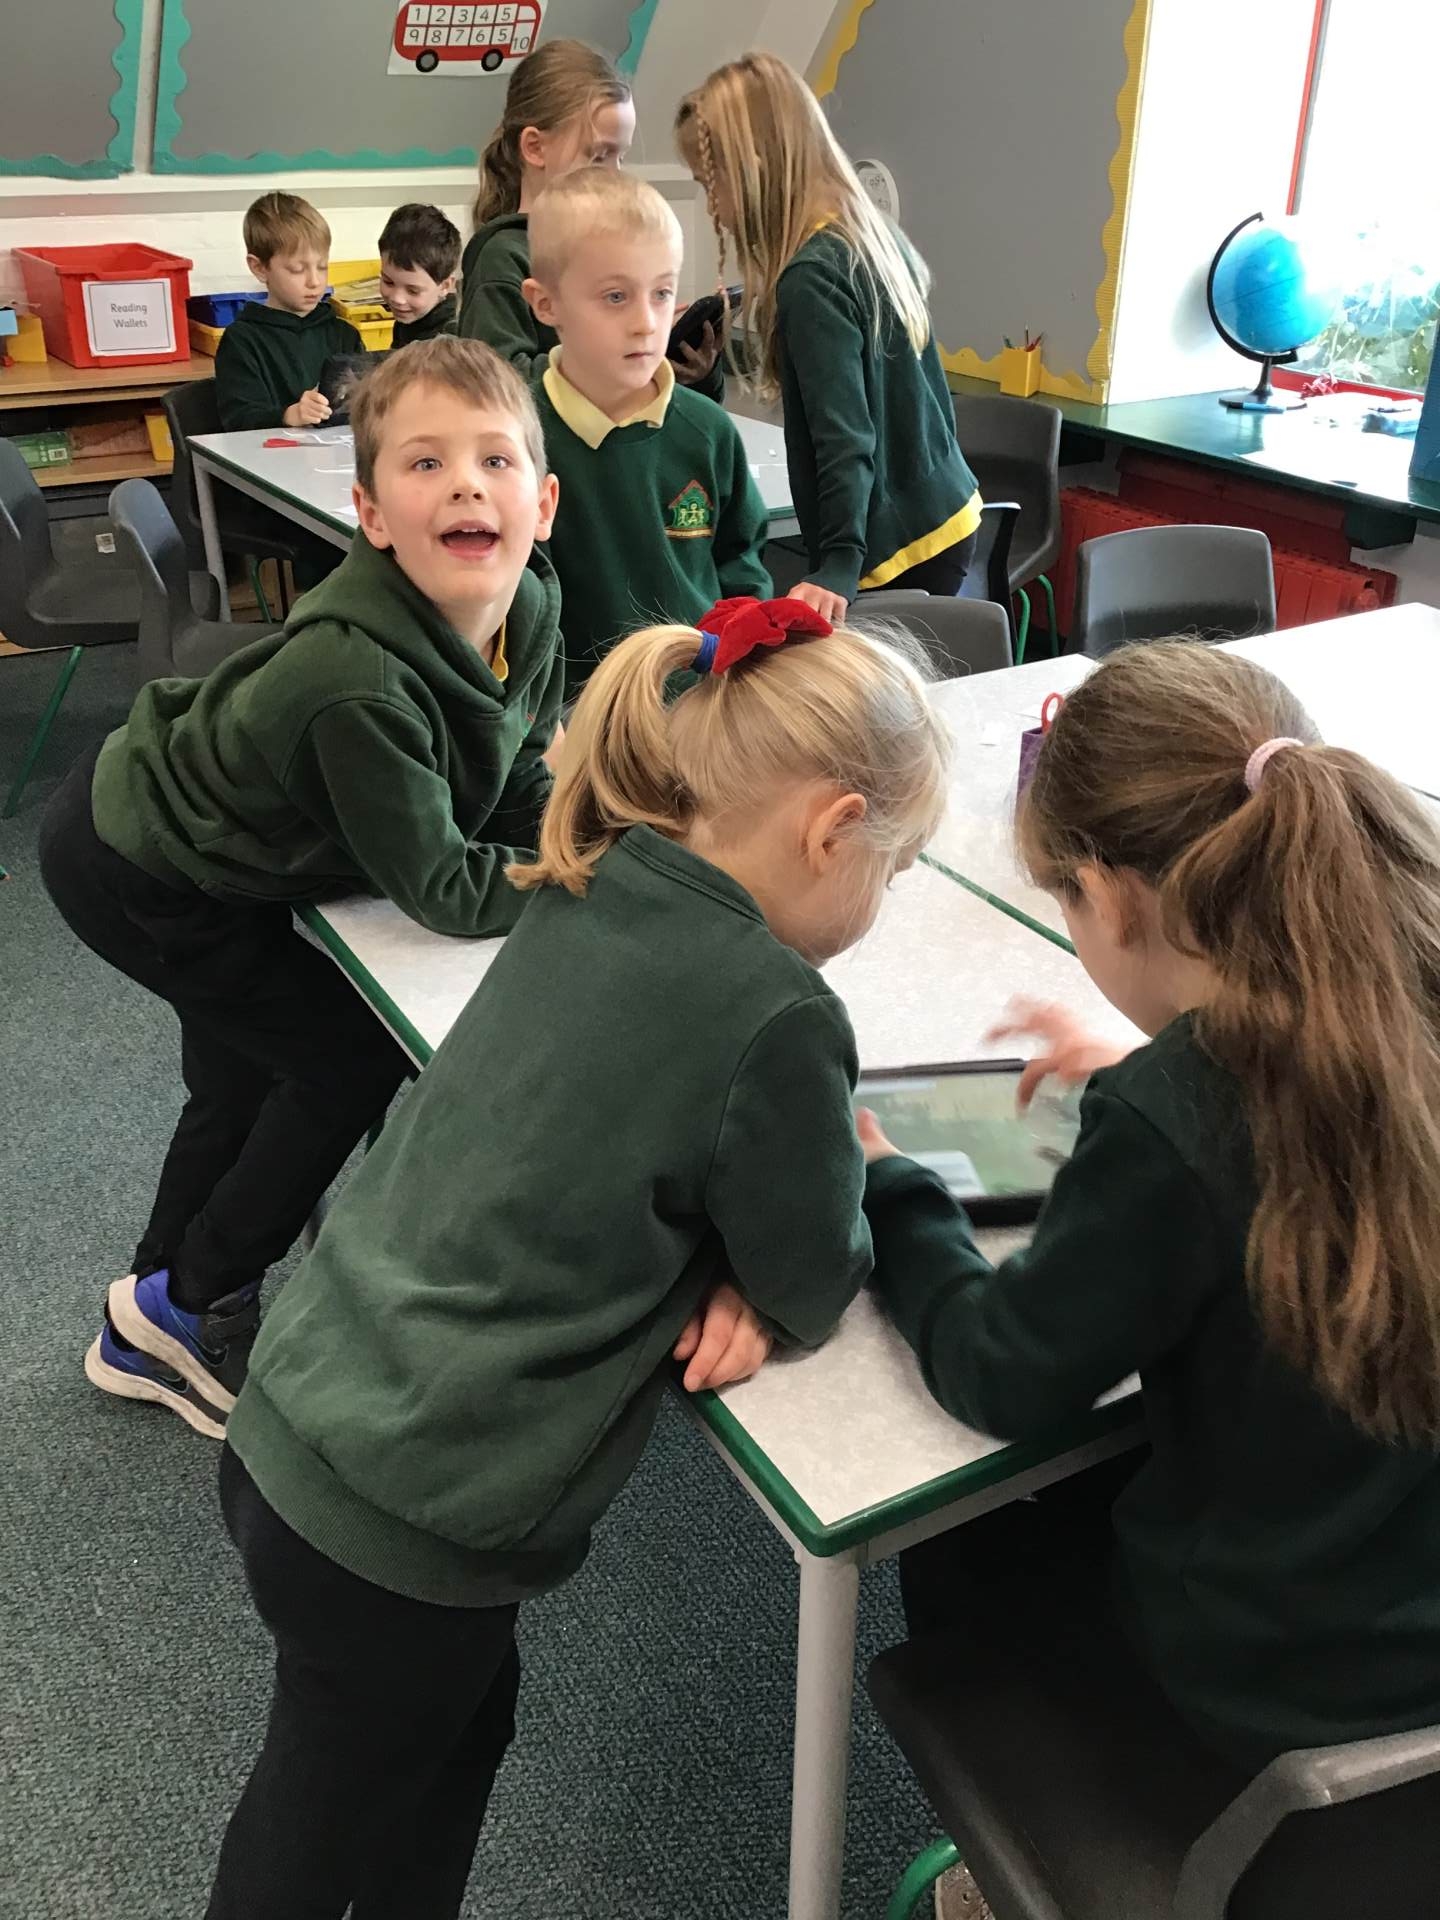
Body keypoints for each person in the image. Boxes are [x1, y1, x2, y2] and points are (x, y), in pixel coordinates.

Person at [203, 593, 952, 1917]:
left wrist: (722, 1246)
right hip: (411, 1517)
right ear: (833, 829)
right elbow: (810, 1267)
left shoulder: (591, 876)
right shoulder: (777, 1010)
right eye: (889, 874)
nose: (877, 904)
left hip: (304, 1411)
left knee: (432, 1743)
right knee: (318, 1822)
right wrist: (811, 1212)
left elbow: (607, 1124)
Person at [860, 640, 1440, 1787]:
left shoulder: (1176, 1119)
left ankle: (1037, 1820)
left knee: (963, 1539)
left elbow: (1001, 1371)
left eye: (1066, 898)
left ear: (1116, 896)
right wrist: (1153, 1067)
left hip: (1290, 1693)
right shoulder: (1406, 988)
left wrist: (894, 1190)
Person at [39, 338, 563, 1439]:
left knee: (242, 1075)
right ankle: (195, 1302)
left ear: (543, 503)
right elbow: (447, 888)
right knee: (345, 1059)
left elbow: (513, 770)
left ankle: (152, 1307)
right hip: (140, 862)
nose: (467, 485)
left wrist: (552, 830)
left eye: (495, 459)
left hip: (205, 840)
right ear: (371, 515)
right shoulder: (354, 682)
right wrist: (586, 869)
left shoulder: (530, 609)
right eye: (426, 463)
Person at [676, 52, 983, 623]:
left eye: (710, 185)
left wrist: (840, 560)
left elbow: (844, 436)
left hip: (889, 547)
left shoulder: (812, 277)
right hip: (941, 514)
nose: (713, 209)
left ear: (752, 169)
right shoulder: (867, 233)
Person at [524, 169, 770, 697]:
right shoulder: (515, 439)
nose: (646, 322)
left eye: (662, 293)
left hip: (701, 703)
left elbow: (741, 561)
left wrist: (738, 666)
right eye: (615, 297)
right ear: (546, 304)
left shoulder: (708, 430)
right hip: (576, 715)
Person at [458, 39, 635, 376]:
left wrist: (682, 367)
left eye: (621, 157)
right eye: (599, 156)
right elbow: (498, 385)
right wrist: (606, 359)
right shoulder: (503, 258)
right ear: (535, 147)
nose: (614, 175)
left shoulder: (607, 251)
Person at [214, 191, 362, 430]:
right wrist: (288, 415)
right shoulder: (242, 341)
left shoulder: (344, 335)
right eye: (297, 270)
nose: (315, 281)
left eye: (322, 267)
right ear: (259, 268)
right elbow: (239, 419)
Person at [379, 201, 462, 346]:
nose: (397, 299)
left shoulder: (450, 342)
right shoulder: (410, 319)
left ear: (445, 286)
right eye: (388, 282)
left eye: (413, 290)